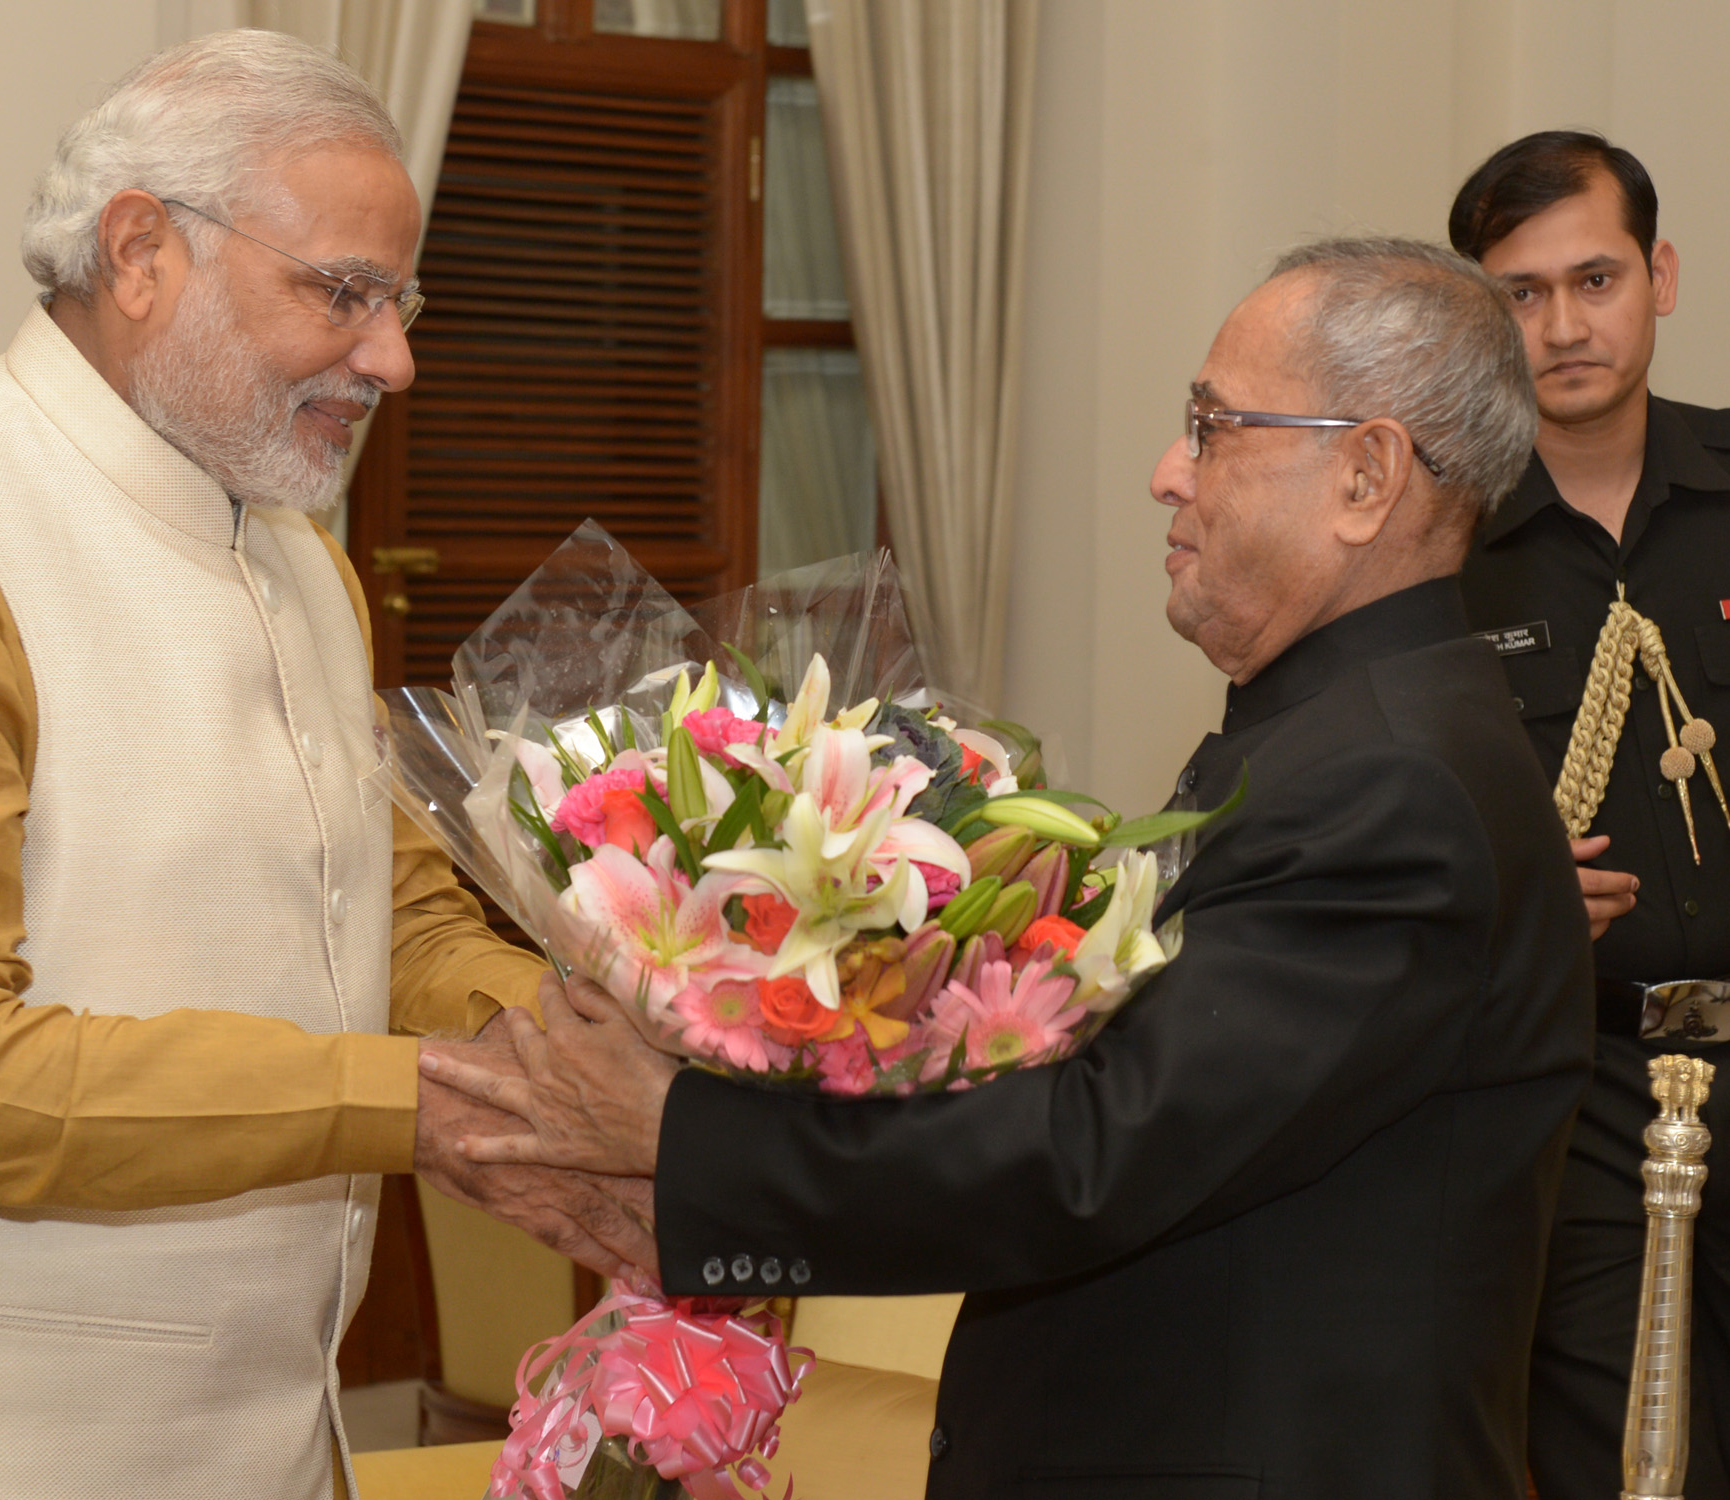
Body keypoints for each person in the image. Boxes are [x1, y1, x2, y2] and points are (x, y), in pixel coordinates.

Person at [0, 32, 644, 1500]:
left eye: (401, 301)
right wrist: (434, 1105)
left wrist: (622, 1068)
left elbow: (388, 917)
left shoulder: (296, 554)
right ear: (140, 249)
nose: (395, 358)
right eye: (342, 293)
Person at [425, 238, 1599, 1498]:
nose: (1167, 474)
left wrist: (685, 1137)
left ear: (1367, 475)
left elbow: (1099, 1152)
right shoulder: (1348, 736)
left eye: (1212, 427)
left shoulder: (1393, 780)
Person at [1451, 130, 1730, 1500]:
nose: (1563, 326)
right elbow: (1363, 812)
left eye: (1596, 278)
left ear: (1660, 275)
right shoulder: (1434, 546)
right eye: (1519, 293)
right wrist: (1500, 884)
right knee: (1624, 1462)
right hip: (1581, 1090)